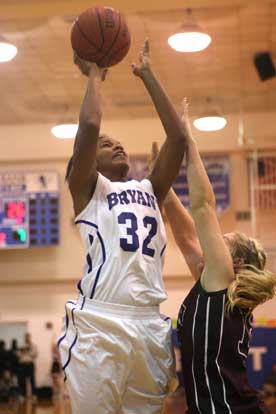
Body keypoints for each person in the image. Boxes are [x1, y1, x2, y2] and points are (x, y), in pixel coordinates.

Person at [58, 39, 187, 414]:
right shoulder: (89, 190)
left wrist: (148, 74)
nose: (116, 145)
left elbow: (178, 138)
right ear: (85, 163)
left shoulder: (151, 189)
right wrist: (95, 75)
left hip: (149, 324)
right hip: (101, 320)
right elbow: (89, 123)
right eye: (105, 145)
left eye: (118, 143)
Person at [162, 98, 276, 413]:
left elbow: (203, 206)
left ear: (234, 263)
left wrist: (190, 142)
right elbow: (185, 236)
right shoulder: (214, 287)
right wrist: (160, 183)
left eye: (223, 241)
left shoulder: (221, 282)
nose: (211, 241)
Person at [17, 333, 38, 401]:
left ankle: (34, 394)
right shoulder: (21, 345)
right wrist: (24, 351)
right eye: (26, 337)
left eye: (28, 337)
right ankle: (23, 395)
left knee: (32, 380)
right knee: (22, 380)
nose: (27, 338)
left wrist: (26, 352)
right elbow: (18, 355)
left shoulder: (33, 345)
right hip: (22, 365)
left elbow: (34, 354)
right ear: (25, 337)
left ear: (30, 337)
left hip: (30, 364)